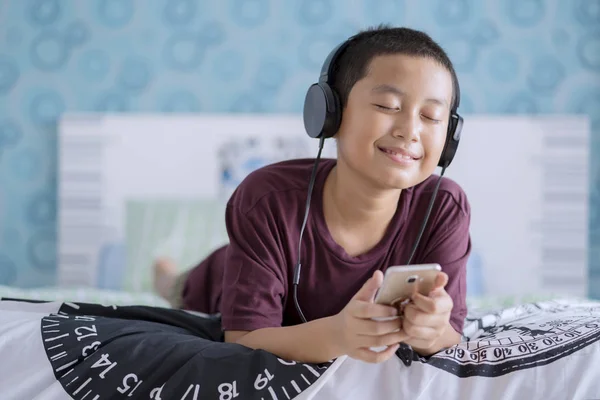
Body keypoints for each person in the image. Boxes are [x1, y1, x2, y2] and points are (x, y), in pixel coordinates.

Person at [154, 24, 471, 365]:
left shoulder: (444, 207)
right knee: (180, 287)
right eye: (387, 105)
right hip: (224, 275)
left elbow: (450, 333)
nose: (410, 130)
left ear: (449, 138)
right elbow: (243, 339)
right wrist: (339, 337)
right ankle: (167, 276)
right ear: (330, 114)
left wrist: (431, 329)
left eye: (431, 116)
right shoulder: (267, 199)